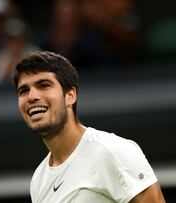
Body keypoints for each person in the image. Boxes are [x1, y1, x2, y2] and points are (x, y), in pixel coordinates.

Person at [12, 51, 165, 202]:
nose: (32, 97)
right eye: (23, 91)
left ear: (70, 96)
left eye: (44, 85)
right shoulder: (39, 179)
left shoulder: (111, 150)